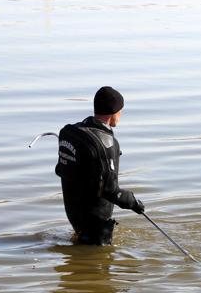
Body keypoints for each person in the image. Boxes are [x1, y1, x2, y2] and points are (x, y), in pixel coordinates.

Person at [55, 86, 145, 245]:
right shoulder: (107, 144)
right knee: (100, 263)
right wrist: (133, 202)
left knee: (82, 248)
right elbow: (111, 191)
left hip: (74, 214)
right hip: (96, 221)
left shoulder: (71, 132)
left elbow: (60, 169)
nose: (121, 115)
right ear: (114, 113)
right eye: (121, 111)